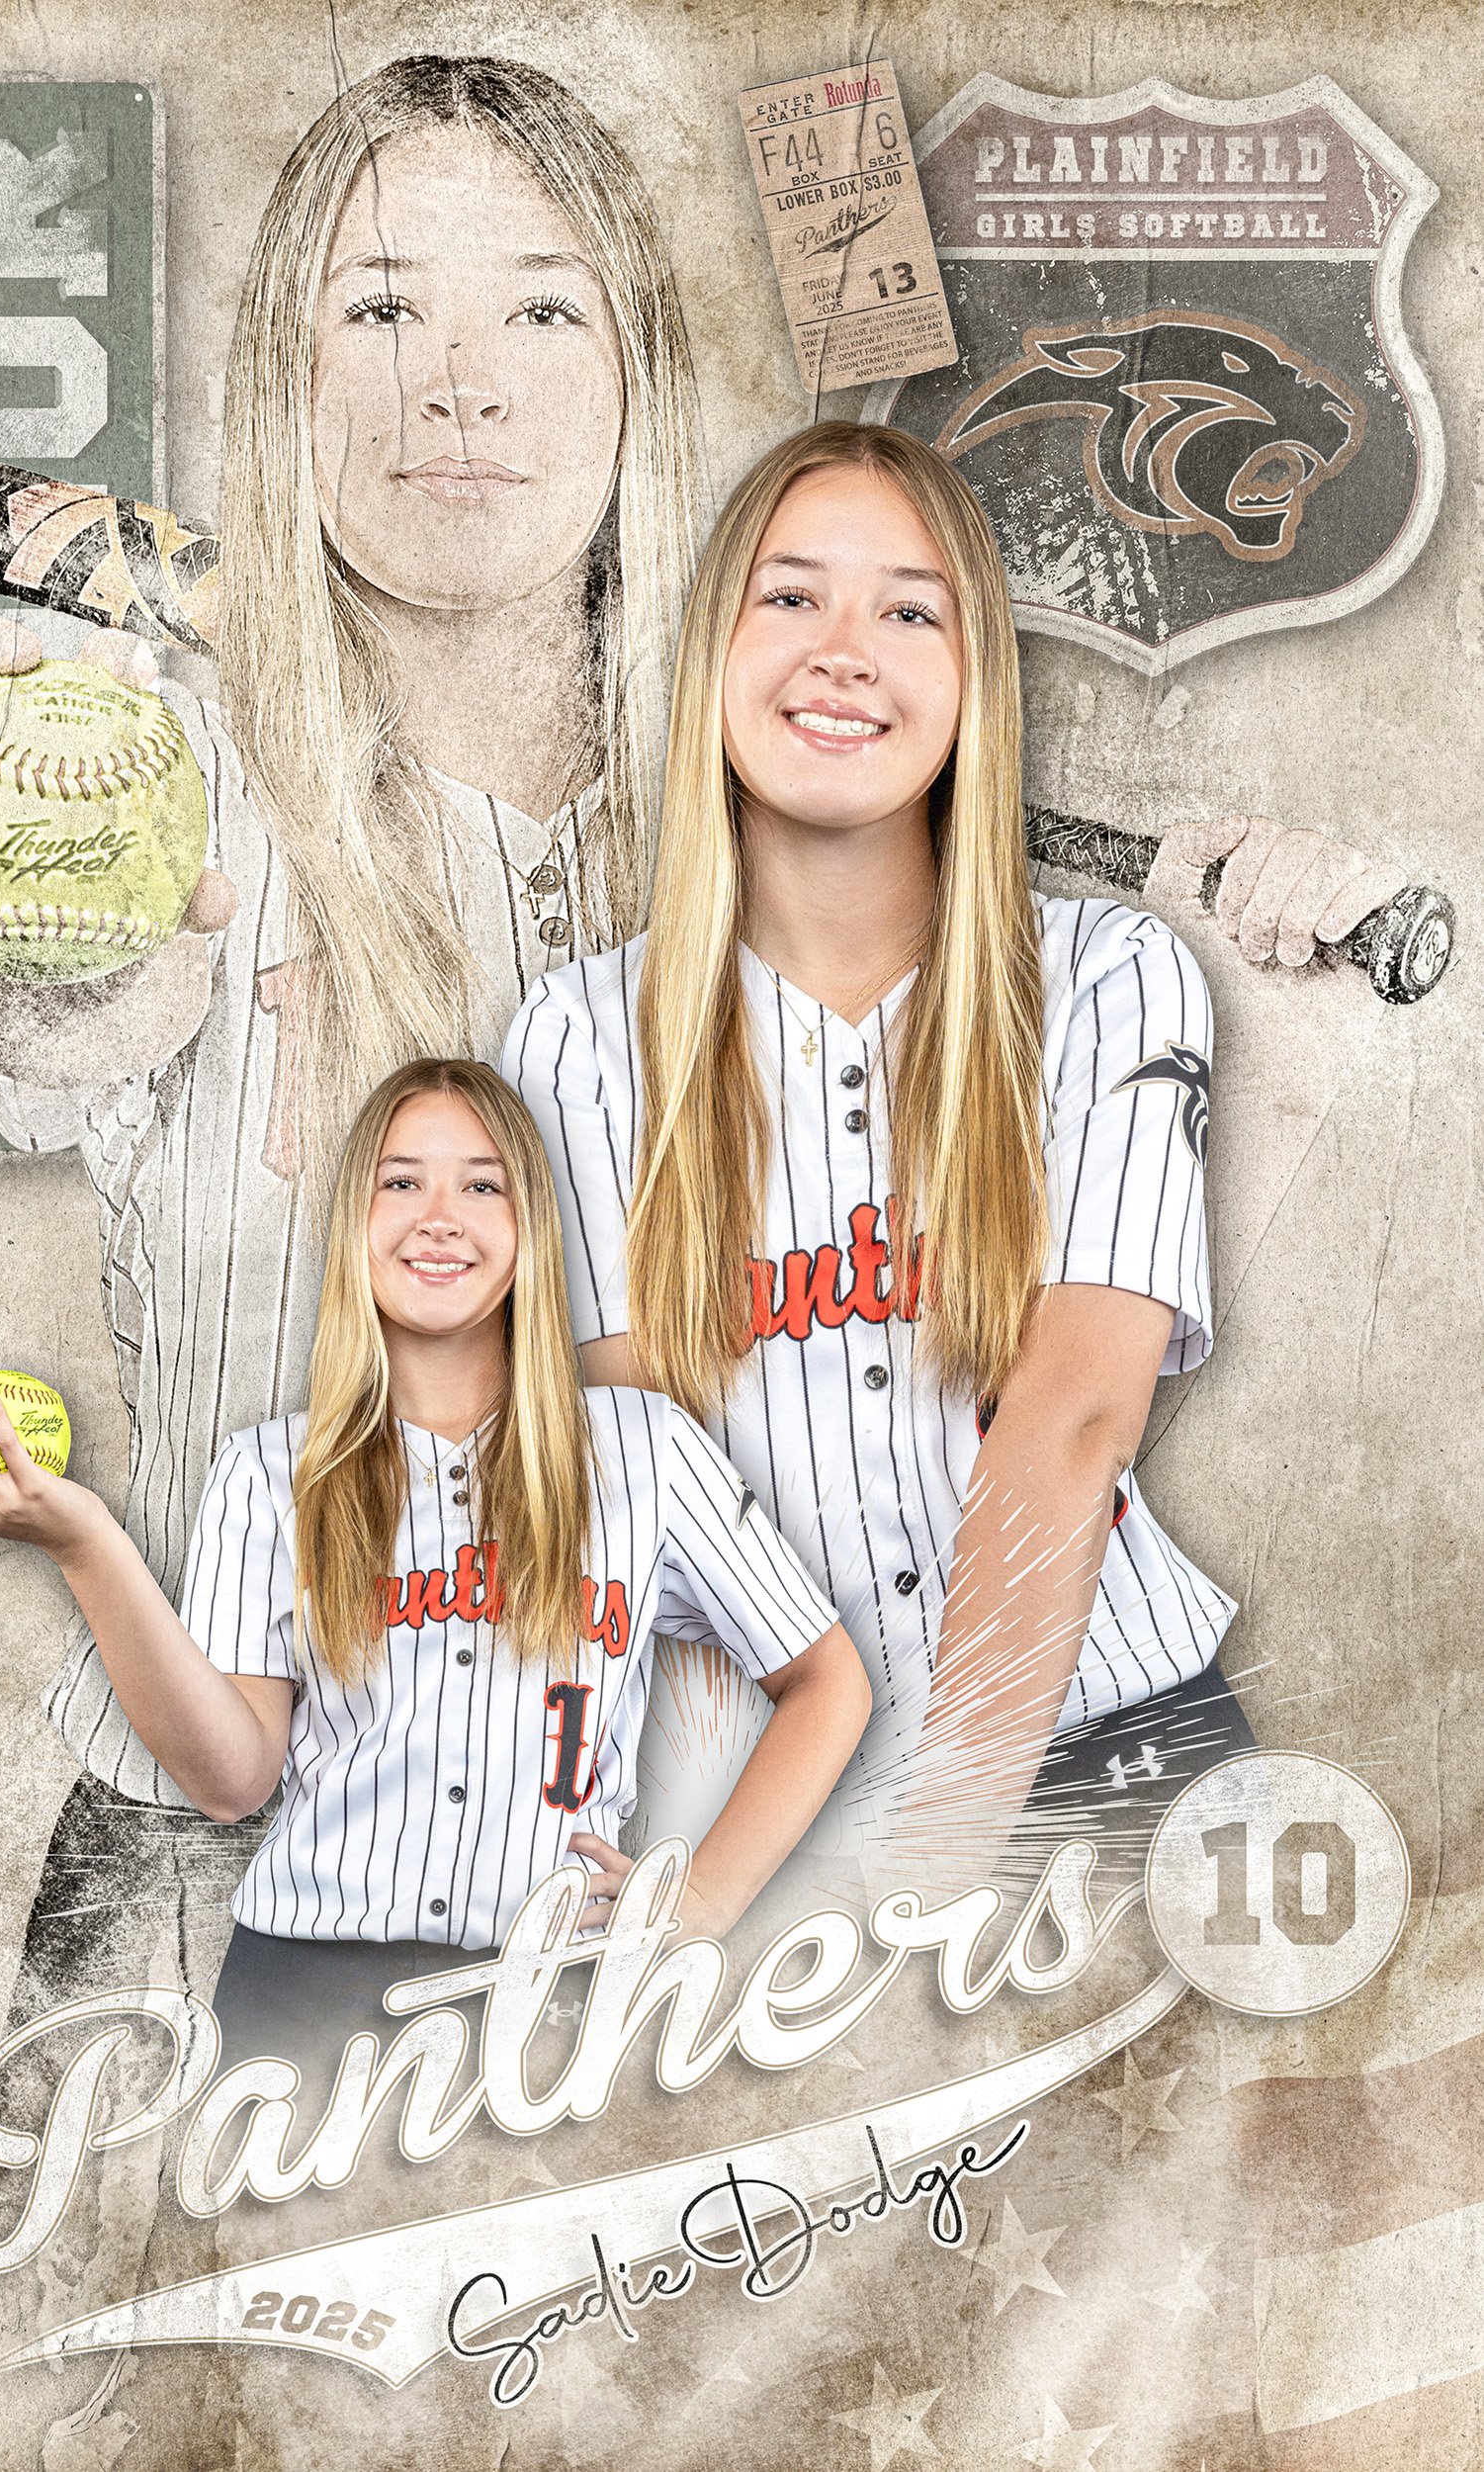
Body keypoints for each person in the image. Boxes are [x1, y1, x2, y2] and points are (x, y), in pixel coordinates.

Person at [0, 54, 702, 2020]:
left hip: (626, 1855)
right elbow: (84, 1016)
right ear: (291, 371)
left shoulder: (759, 837)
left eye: (538, 303)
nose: (457, 379)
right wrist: (41, 955)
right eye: (384, 304)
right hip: (198, 1863)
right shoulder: (160, 752)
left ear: (627, 373)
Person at [504, 419, 1275, 1889]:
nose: (843, 650)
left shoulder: (1110, 981)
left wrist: (918, 1875)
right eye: (789, 597)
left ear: (972, 681)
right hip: (772, 1820)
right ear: (711, 659)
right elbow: (640, 1521)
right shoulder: (576, 1040)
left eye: (908, 609)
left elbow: (1068, 1430)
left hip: (1110, 1771)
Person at [0, 1060, 871, 2079]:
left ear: (529, 1226)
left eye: (481, 1182)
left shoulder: (642, 1451)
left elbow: (827, 1682)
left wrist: (701, 1903)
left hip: (556, 1996)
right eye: (401, 1181)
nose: (439, 1215)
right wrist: (87, 1546)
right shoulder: (267, 1473)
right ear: (354, 1223)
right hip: (304, 1998)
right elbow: (233, 1777)